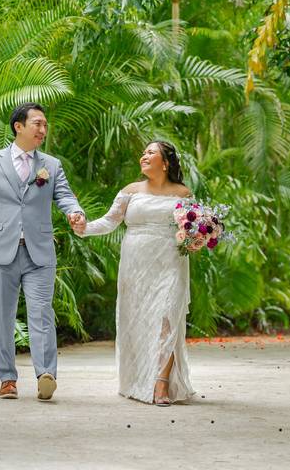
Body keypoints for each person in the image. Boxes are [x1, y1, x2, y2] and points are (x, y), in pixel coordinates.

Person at [0, 102, 85, 401]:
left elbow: (65, 196)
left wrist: (75, 212)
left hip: (39, 253)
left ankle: (46, 374)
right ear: (19, 126)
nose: (43, 130)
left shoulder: (51, 165)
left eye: (45, 125)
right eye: (38, 124)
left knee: (42, 312)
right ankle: (7, 379)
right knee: (2, 317)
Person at [77, 141, 195, 406]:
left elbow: (192, 227)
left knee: (169, 317)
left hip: (171, 261)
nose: (144, 156)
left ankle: (161, 383)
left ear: (165, 163)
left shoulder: (182, 193)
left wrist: (196, 238)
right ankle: (139, 378)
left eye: (151, 152)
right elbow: (110, 221)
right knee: (138, 320)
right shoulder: (131, 191)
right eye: (143, 152)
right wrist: (84, 228)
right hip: (136, 264)